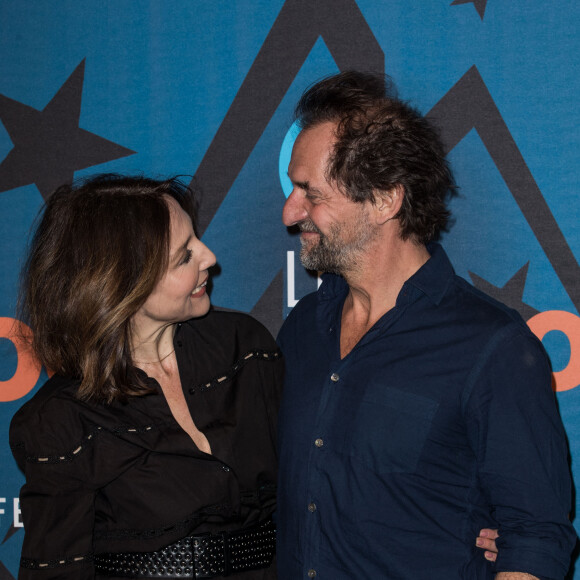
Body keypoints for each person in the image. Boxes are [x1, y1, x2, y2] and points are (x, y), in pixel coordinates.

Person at [276, 71, 576, 579]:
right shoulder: (304, 328)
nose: (289, 212)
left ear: (385, 200)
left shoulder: (490, 347)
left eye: (311, 193)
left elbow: (536, 539)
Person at [9, 175, 283, 579]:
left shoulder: (245, 348)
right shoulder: (62, 421)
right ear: (122, 286)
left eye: (197, 240)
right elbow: (57, 568)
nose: (209, 257)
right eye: (184, 256)